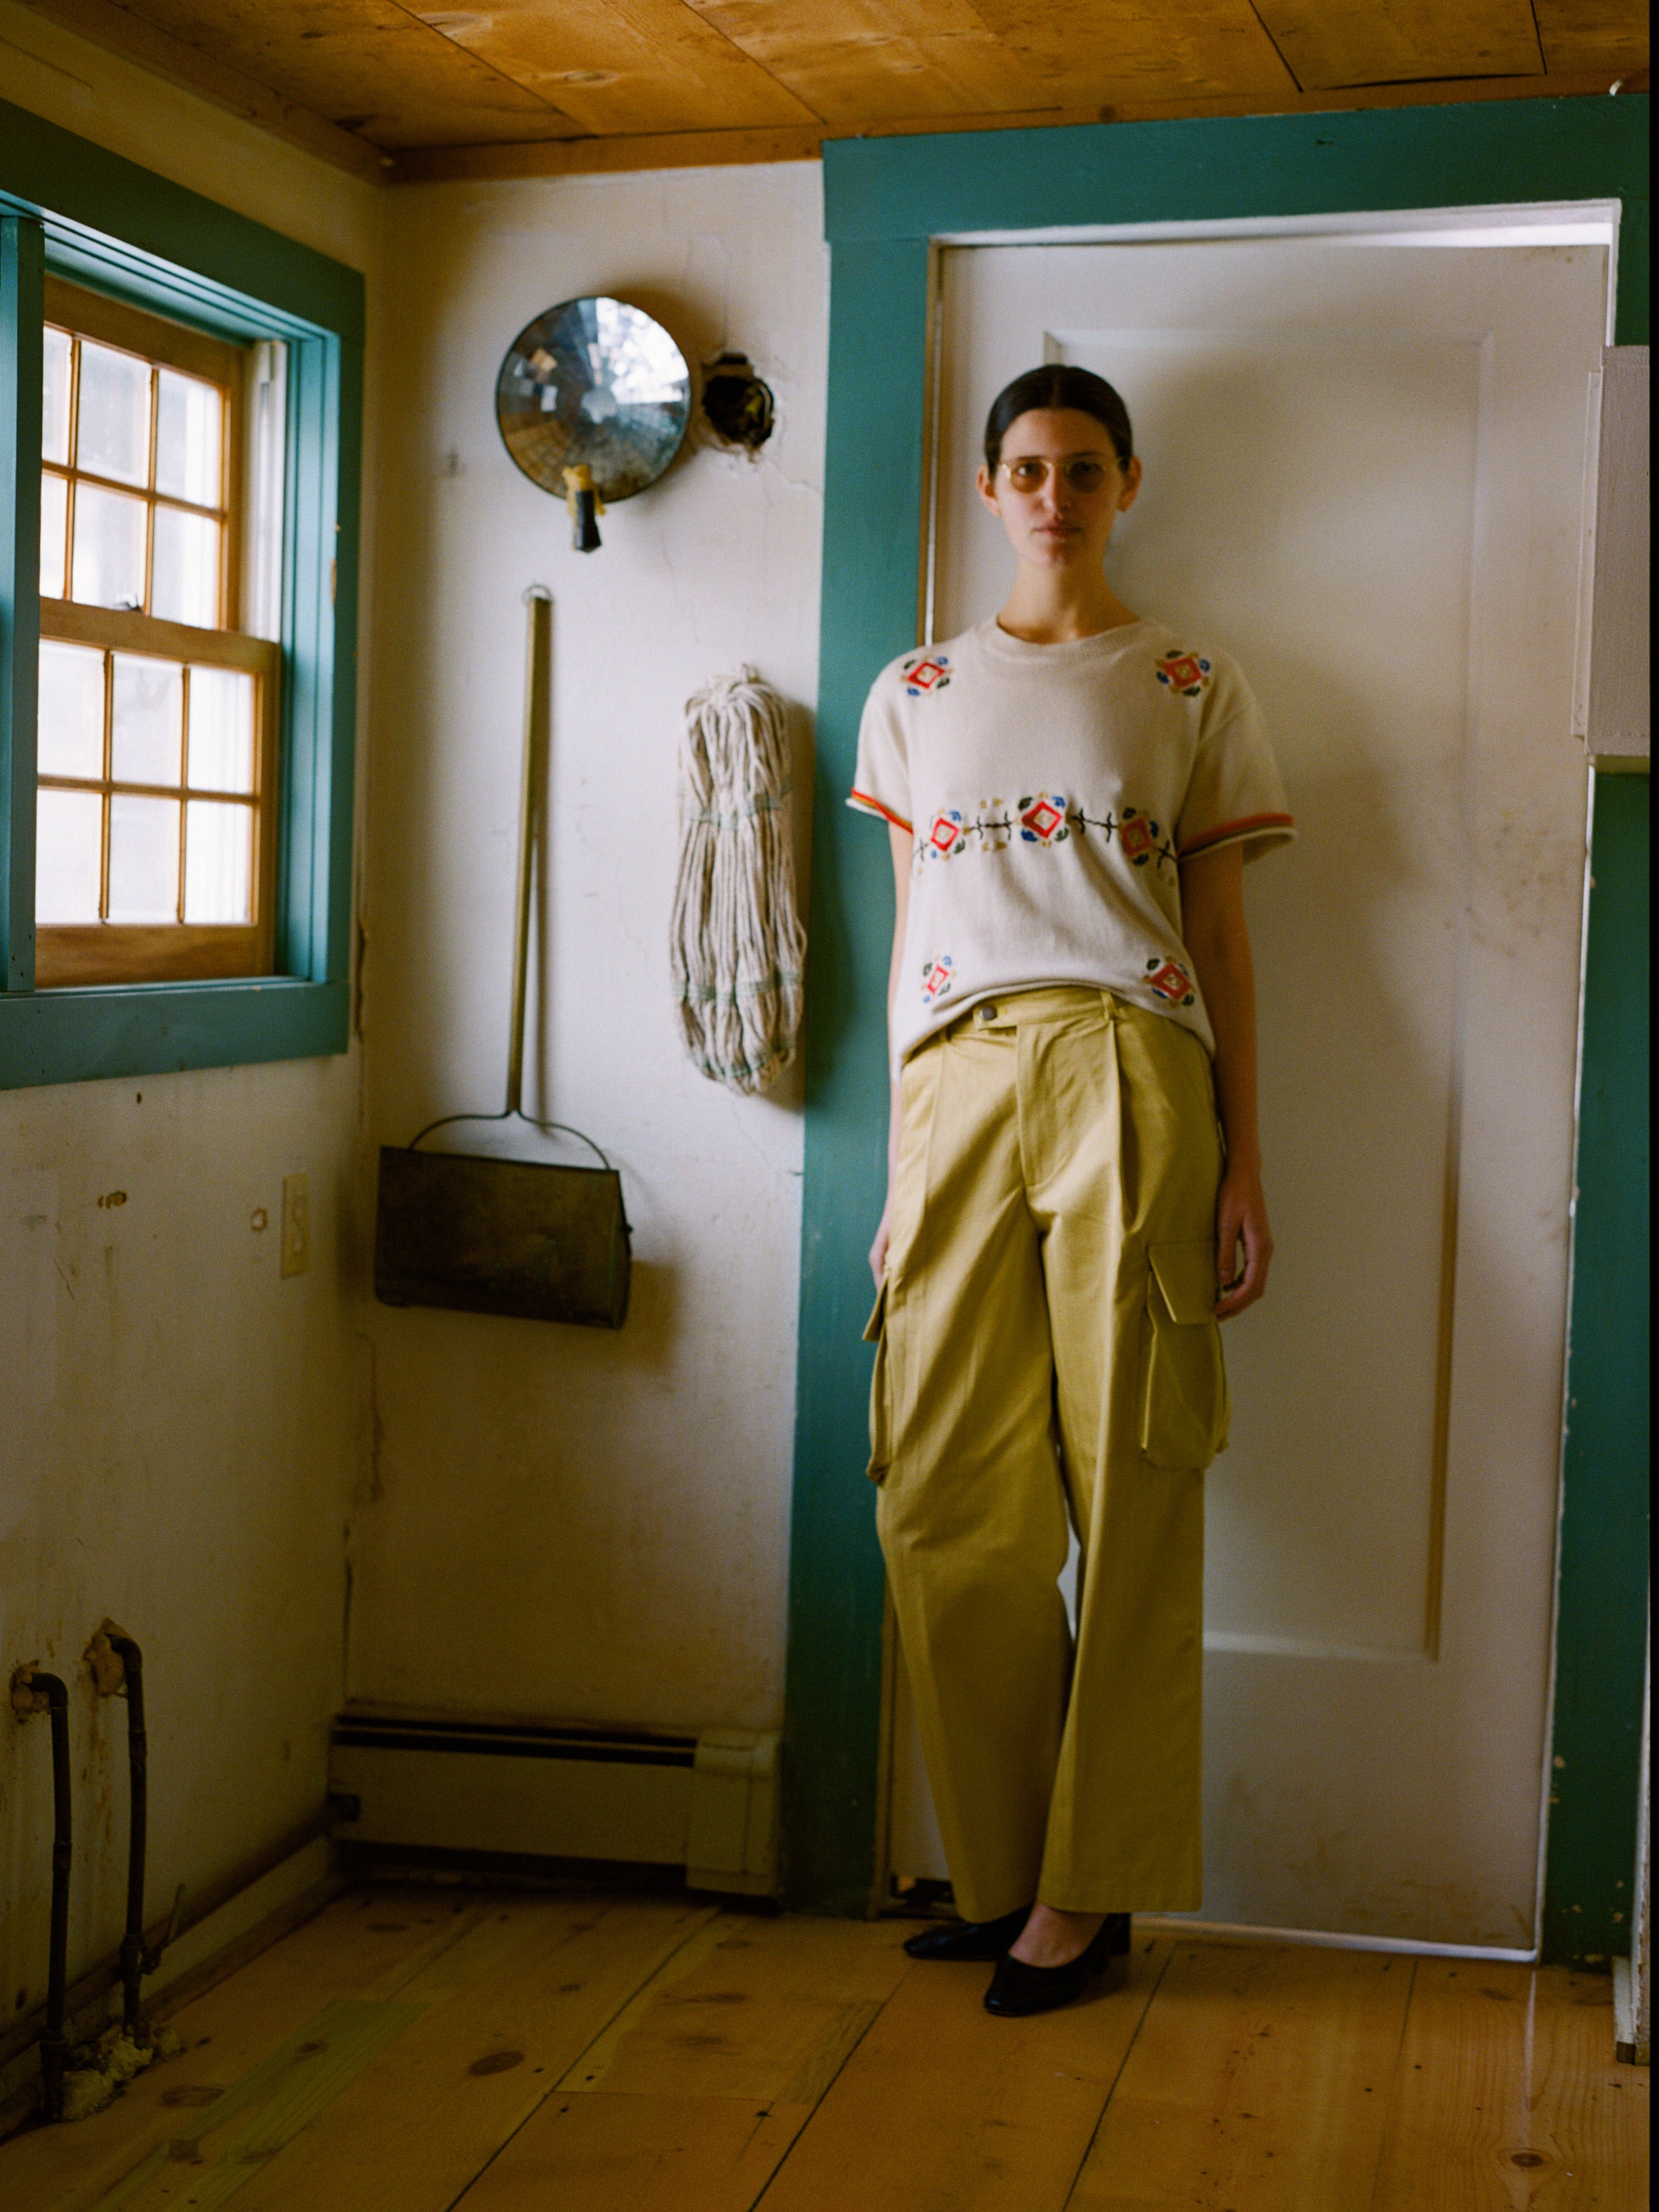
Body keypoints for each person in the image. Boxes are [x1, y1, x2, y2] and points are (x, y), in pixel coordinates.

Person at [850, 364, 1294, 2017]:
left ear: (1123, 486)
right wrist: (905, 1165)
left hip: (1132, 1065)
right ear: (986, 488)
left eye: (1082, 469)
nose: (1052, 493)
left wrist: (1247, 1154)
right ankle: (1008, 1870)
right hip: (956, 1083)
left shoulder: (1186, 679)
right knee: (935, 1495)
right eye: (1025, 467)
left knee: (1132, 1476)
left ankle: (1090, 1899)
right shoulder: (909, 688)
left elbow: (1228, 936)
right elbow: (909, 943)